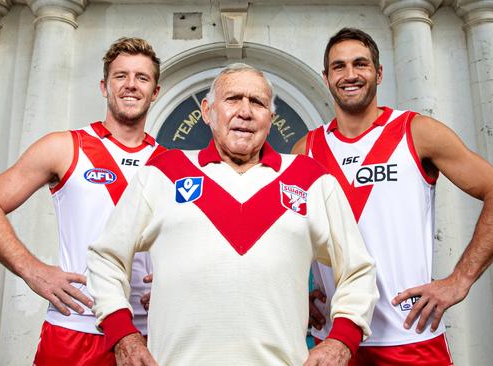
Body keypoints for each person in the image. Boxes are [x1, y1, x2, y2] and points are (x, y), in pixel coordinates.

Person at [86, 63, 379, 366]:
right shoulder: (164, 173)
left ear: (270, 117)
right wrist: (123, 335)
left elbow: (358, 270)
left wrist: (341, 341)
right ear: (207, 110)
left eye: (258, 102)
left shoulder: (311, 179)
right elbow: (106, 257)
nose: (245, 111)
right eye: (233, 99)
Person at [292, 28, 493, 365]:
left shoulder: (417, 132)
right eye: (339, 67)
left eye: (361, 64)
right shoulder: (307, 149)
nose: (350, 74)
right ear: (326, 78)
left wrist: (459, 281)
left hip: (410, 336)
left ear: (379, 73)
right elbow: (295, 230)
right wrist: (302, 287)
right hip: (335, 339)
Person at [0, 37, 166, 365]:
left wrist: (175, 277)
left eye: (142, 78)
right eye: (121, 76)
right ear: (104, 86)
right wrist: (33, 271)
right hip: (76, 327)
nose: (131, 85)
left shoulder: (171, 163)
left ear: (155, 91)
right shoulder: (63, 146)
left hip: (147, 332)